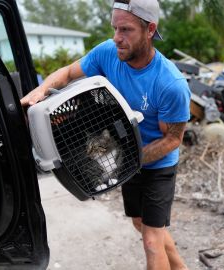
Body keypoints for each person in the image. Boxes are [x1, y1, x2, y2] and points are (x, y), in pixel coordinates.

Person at [21, 0, 191, 269]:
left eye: (125, 30)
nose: (117, 38)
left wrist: (132, 160)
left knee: (150, 240)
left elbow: (173, 139)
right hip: (129, 158)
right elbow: (67, 73)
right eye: (115, 28)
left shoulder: (171, 84)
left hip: (158, 165)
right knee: (142, 223)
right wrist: (40, 92)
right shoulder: (108, 53)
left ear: (150, 30)